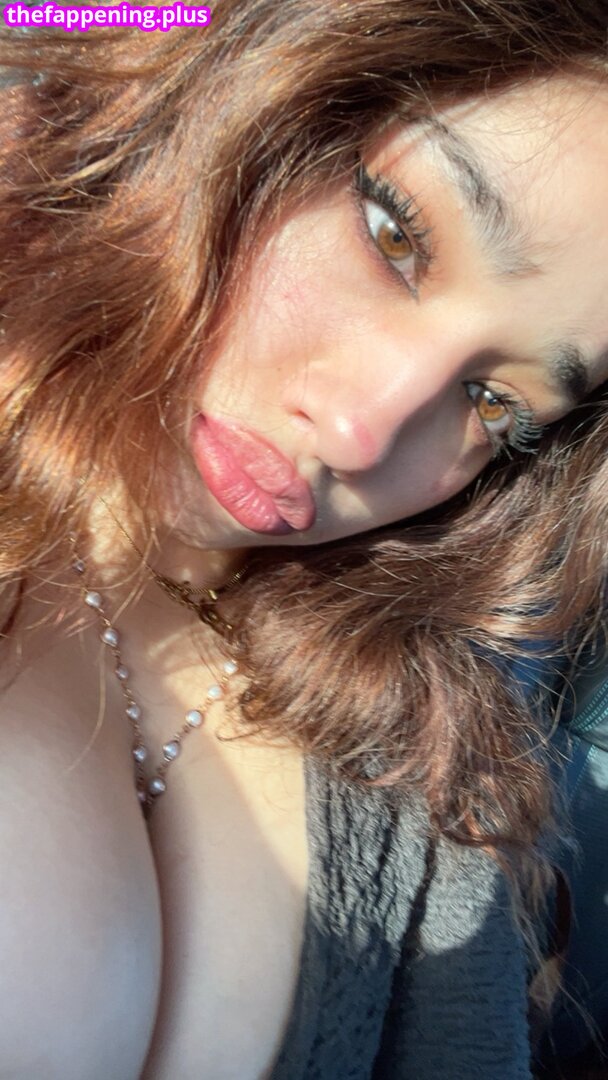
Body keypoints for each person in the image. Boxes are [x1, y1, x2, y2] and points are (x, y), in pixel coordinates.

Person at [0, 3, 607, 1077]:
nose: (362, 431)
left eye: (493, 402)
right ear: (262, 89)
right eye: (391, 233)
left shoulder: (422, 784)